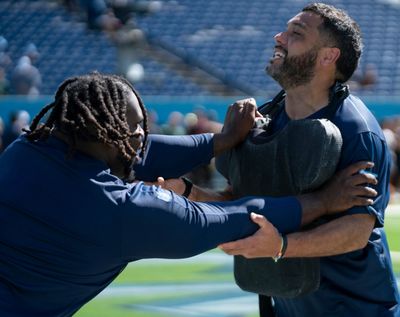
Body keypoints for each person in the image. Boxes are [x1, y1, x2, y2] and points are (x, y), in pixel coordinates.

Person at [0, 72, 376, 316]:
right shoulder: (123, 211)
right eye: (135, 131)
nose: (140, 138)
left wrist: (223, 140)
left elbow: (143, 152)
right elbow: (239, 218)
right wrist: (325, 201)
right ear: (117, 138)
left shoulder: (25, 152)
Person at [215, 3, 399, 316]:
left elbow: (357, 230)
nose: (279, 37)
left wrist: (280, 246)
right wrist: (184, 193)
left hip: (356, 309)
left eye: (295, 33)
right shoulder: (267, 118)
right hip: (289, 306)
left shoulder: (356, 131)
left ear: (328, 56)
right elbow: (244, 197)